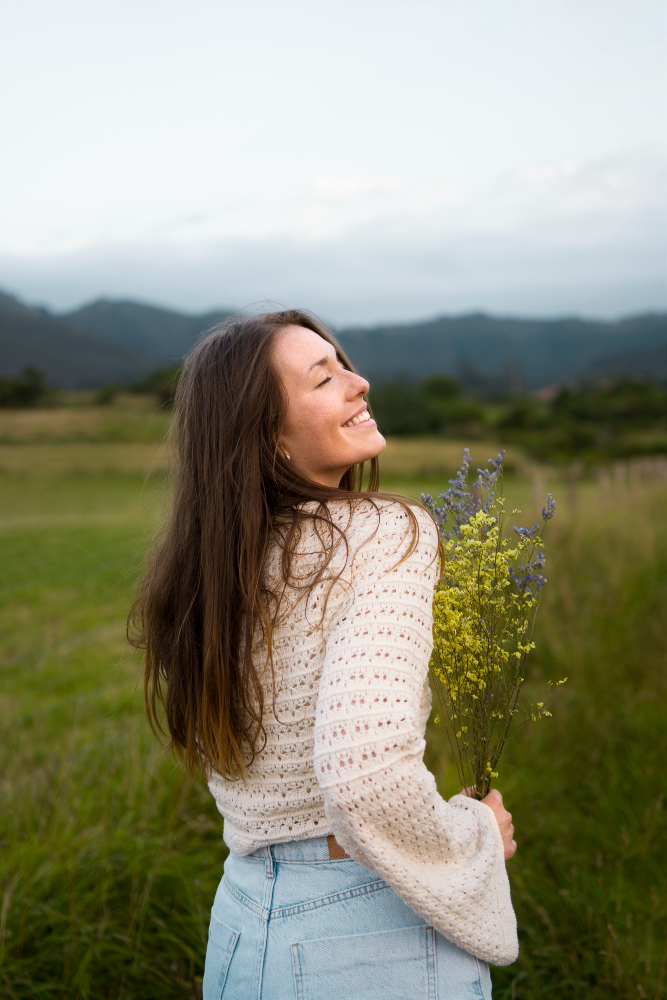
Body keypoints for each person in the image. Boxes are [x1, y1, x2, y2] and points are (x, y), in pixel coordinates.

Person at [130, 309, 518, 1000]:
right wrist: (471, 836)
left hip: (244, 926)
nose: (359, 383)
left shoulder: (211, 570)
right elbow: (363, 772)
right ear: (268, 434)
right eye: (324, 378)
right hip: (369, 927)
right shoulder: (383, 533)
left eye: (343, 364)